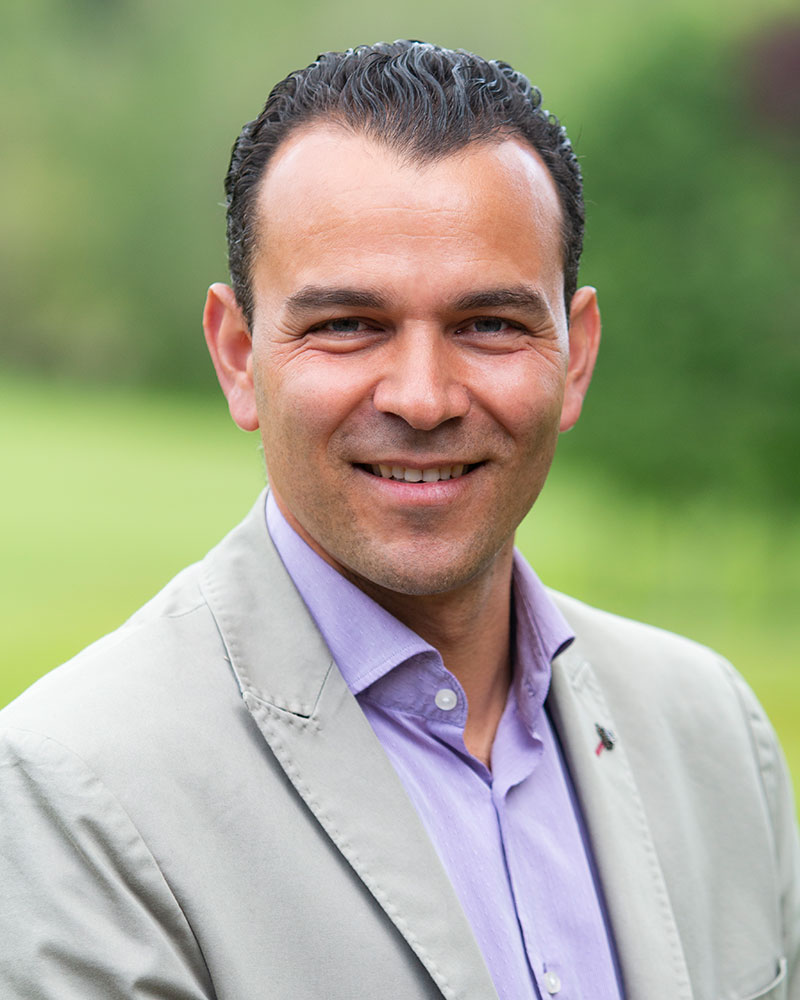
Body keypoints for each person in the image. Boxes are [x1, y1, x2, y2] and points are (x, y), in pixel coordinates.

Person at [1, 40, 797, 1000]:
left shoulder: (713, 732)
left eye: (489, 324)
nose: (422, 398)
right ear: (238, 355)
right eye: (347, 325)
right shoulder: (75, 787)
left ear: (576, 356)